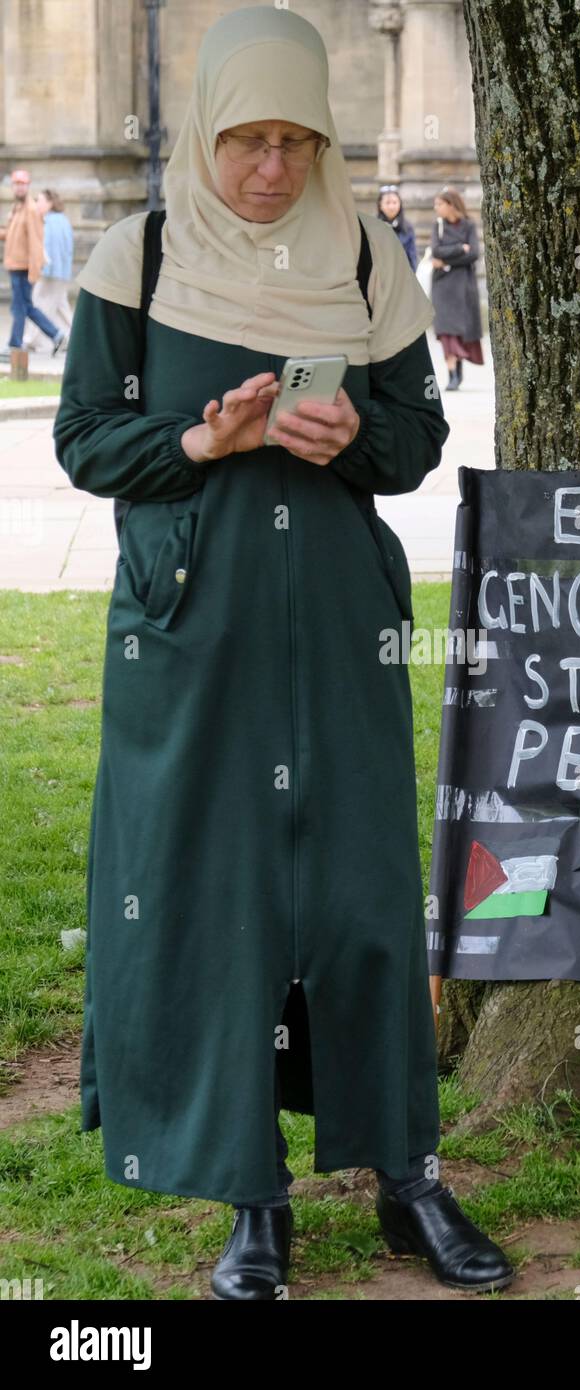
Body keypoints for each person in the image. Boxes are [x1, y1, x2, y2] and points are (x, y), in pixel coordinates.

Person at [53, 5, 513, 1301]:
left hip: (330, 609)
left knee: (365, 889)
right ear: (207, 133)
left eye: (294, 141)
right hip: (192, 619)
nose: (269, 167)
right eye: (247, 140)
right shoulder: (133, 260)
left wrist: (341, 438)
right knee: (221, 890)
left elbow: (416, 437)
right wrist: (205, 444)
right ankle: (251, 1196)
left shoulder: (364, 256)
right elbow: (86, 439)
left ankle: (405, 1175)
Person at [0, 168, 67, 361]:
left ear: (27, 186)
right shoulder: (17, 208)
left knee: (19, 307)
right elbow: (11, 235)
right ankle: (57, 335)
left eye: (22, 184)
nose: (19, 188)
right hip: (14, 266)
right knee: (27, 307)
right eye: (16, 184)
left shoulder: (30, 209)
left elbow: (36, 242)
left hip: (23, 268)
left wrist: (34, 270)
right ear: (13, 186)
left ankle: (14, 345)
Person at [430, 187, 483, 391]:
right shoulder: (438, 225)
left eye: (439, 204)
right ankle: (452, 374)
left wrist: (447, 258)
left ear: (450, 205)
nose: (436, 208)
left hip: (463, 285)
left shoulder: (468, 225)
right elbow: (435, 250)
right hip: (442, 285)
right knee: (445, 331)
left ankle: (458, 372)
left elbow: (474, 254)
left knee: (458, 330)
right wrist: (460, 248)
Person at [23, 189, 74, 353]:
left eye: (40, 201)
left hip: (50, 272)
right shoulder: (63, 221)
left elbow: (49, 250)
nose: (37, 204)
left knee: (38, 303)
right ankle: (76, 339)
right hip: (61, 272)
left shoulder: (49, 222)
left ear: (50, 203)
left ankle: (30, 340)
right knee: (61, 307)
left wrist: (42, 270)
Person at [377, 185, 418, 269]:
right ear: (380, 205)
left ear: (400, 204)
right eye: (387, 203)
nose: (391, 207)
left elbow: (412, 256)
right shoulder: (372, 226)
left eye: (395, 202)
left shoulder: (407, 227)